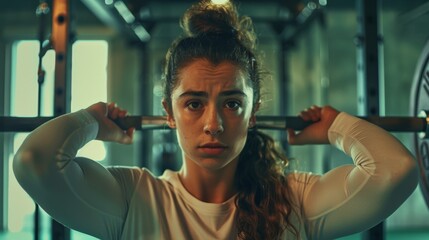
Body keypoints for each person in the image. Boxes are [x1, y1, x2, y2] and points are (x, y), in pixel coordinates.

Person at [14, 1, 418, 239]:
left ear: (253, 113)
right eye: (193, 104)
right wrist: (91, 120)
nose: (214, 124)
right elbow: (35, 161)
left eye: (232, 104)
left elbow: (396, 171)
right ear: (168, 113)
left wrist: (336, 127)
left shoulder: (295, 201)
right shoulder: (134, 199)